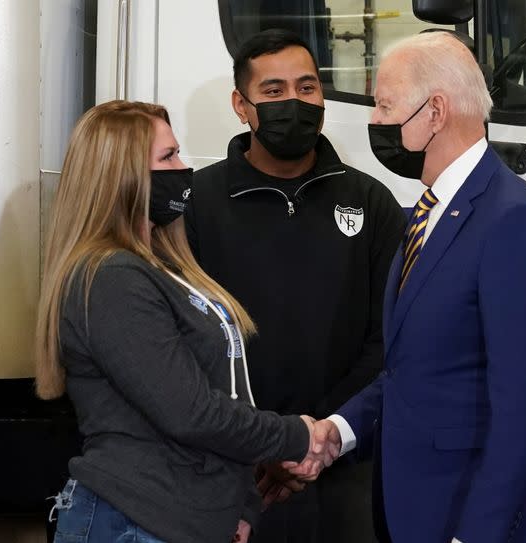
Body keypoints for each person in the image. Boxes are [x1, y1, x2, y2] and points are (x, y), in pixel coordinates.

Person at [292, 32, 526, 542]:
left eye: (384, 105)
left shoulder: (513, 219)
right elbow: (418, 368)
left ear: (435, 111)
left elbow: (524, 405)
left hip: (473, 518)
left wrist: (475, 534)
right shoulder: (429, 213)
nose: (374, 121)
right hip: (418, 508)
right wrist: (338, 432)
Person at [35, 100, 329, 543]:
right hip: (133, 523)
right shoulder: (110, 276)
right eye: (168, 157)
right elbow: (190, 412)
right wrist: (295, 435)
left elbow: (228, 390)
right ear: (123, 174)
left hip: (188, 520)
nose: (185, 167)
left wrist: (242, 504)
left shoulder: (163, 267)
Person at [185, 28, 406, 543]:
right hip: (238, 468)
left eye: (306, 88)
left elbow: (392, 336)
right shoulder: (200, 204)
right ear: (242, 105)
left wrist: (323, 436)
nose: (294, 102)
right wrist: (268, 441)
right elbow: (188, 341)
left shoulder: (371, 202)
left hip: (345, 460)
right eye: (274, 91)